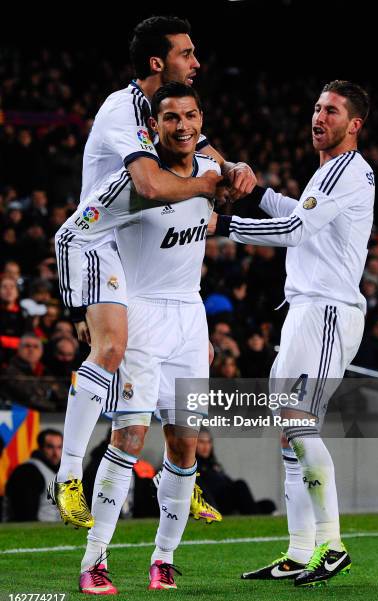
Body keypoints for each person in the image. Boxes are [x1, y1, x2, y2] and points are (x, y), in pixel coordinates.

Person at [51, 16, 255, 527]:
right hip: (95, 239)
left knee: (185, 371)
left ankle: (177, 478)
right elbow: (152, 185)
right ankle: (68, 474)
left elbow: (206, 153)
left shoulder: (167, 111)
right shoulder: (122, 110)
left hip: (138, 249)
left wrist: (232, 171)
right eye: (188, 53)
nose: (197, 61)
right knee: (112, 348)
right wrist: (210, 185)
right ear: (158, 63)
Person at [210, 80, 374, 587]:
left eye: (332, 110)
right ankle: (300, 550)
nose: (319, 117)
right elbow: (295, 216)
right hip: (305, 311)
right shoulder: (328, 172)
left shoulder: (350, 170)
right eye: (317, 108)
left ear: (355, 125)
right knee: (288, 433)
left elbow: (295, 233)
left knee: (299, 421)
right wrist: (257, 193)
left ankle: (333, 542)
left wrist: (224, 226)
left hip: (327, 312)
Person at [65, 83, 223, 595]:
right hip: (142, 315)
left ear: (202, 121)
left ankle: (164, 559)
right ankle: (95, 561)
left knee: (185, 444)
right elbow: (76, 230)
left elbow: (211, 222)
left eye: (191, 116)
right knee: (129, 438)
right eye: (171, 118)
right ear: (153, 127)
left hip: (190, 317)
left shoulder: (210, 173)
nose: (183, 126)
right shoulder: (135, 184)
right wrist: (87, 301)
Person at [196, 428, 276, 515]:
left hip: (231, 500)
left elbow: (229, 483)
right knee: (240, 484)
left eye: (208, 442)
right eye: (201, 442)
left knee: (268, 504)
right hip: (217, 505)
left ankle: (256, 515)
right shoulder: (194, 466)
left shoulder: (213, 465)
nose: (206, 446)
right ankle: (254, 517)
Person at [6, 429, 62, 521]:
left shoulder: (59, 470)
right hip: (37, 531)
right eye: (50, 447)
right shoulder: (28, 471)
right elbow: (24, 514)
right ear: (40, 448)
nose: (56, 453)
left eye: (59, 447)